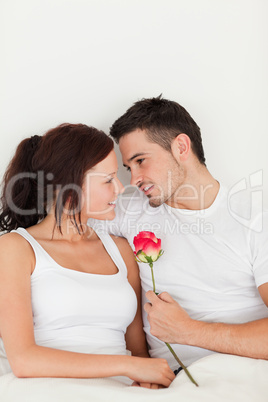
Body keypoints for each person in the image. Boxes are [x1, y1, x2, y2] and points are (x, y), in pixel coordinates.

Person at [91, 95, 268, 372]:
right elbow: (63, 227)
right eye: (129, 167)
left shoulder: (256, 215)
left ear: (181, 147)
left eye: (141, 161)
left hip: (247, 371)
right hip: (174, 379)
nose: (133, 179)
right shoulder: (129, 209)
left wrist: (189, 331)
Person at [0, 123, 175, 388]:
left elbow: (138, 350)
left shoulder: (121, 251)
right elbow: (23, 360)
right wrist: (128, 365)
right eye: (108, 180)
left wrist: (145, 377)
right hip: (46, 388)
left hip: (122, 390)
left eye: (117, 176)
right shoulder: (16, 249)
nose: (119, 188)